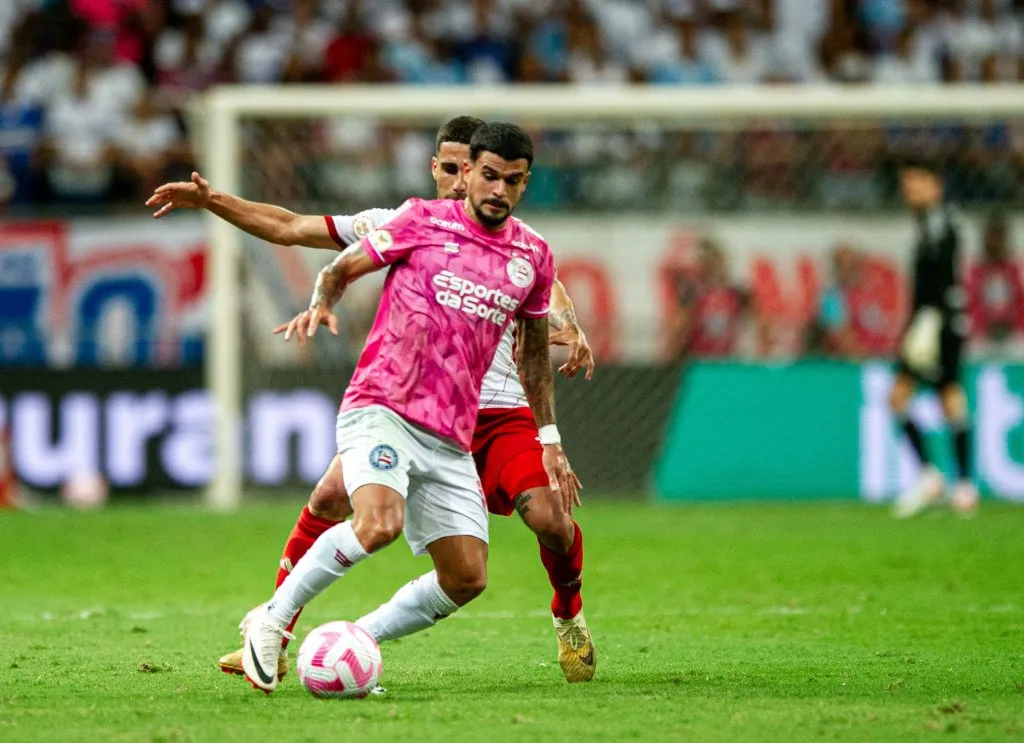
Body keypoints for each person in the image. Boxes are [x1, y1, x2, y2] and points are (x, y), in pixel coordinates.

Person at [147, 119, 597, 686]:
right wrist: (215, 200)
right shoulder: (404, 221)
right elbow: (290, 228)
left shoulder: (522, 246)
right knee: (340, 500)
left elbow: (546, 299)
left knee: (528, 536)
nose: (471, 184)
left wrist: (571, 326)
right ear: (441, 168)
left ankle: (565, 613)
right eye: (459, 170)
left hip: (489, 412)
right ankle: (273, 626)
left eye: (496, 176)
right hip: (394, 405)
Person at [890, 157, 978, 518]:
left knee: (947, 396)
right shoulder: (929, 221)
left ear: (935, 185)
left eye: (917, 184)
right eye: (906, 185)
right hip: (930, 321)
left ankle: (958, 483)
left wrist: (929, 319)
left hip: (939, 322)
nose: (910, 192)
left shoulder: (941, 222)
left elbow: (944, 278)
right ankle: (940, 479)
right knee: (911, 397)